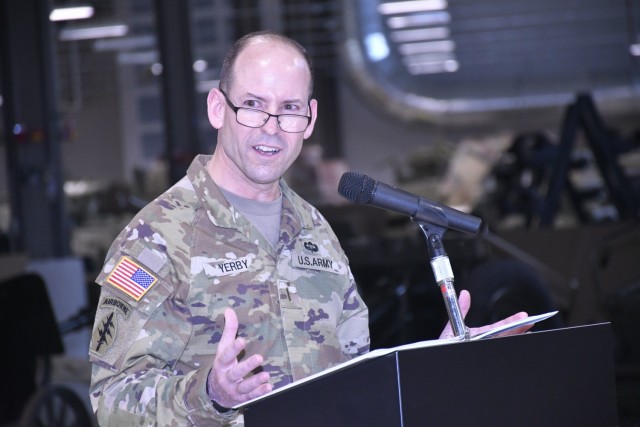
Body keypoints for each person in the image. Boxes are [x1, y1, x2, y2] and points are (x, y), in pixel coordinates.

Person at [88, 31, 531, 426]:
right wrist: (210, 394)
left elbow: (356, 379)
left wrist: (432, 365)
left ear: (310, 119)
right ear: (217, 108)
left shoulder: (316, 230)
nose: (272, 128)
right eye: (253, 106)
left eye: (289, 110)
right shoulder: (156, 237)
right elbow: (111, 401)